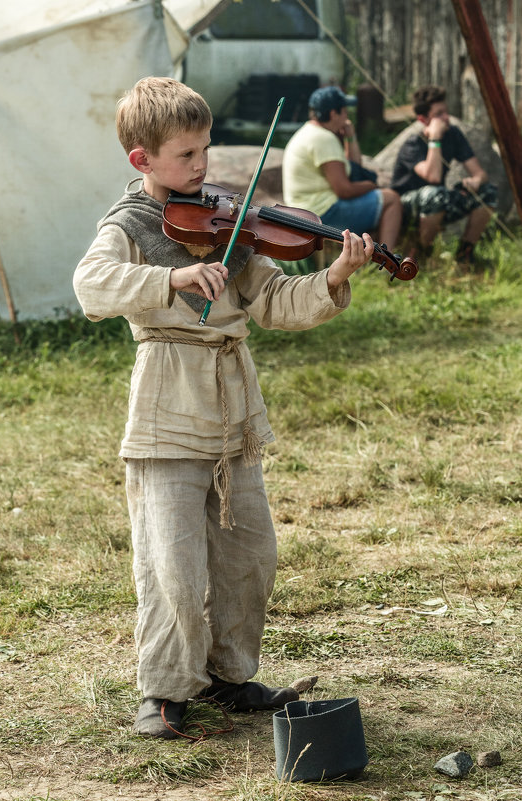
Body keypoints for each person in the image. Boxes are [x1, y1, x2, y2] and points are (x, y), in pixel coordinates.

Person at [73, 77, 374, 740]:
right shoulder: (128, 225)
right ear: (142, 160)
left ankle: (229, 674)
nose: (202, 167)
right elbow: (90, 286)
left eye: (205, 150)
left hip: (233, 409)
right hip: (167, 403)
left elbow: (272, 302)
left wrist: (330, 279)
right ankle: (164, 687)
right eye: (185, 155)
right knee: (172, 564)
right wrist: (170, 277)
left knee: (248, 555)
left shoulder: (230, 223)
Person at [282, 86, 402, 252]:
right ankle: (388, 259)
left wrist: (350, 136)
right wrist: (372, 185)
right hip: (322, 214)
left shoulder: (309, 131)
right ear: (333, 114)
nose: (347, 117)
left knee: (382, 195)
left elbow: (353, 168)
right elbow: (344, 190)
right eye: (344, 112)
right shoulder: (324, 139)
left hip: (305, 210)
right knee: (392, 198)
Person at [391, 84, 498, 263]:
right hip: (405, 207)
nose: (446, 118)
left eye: (446, 112)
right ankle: (423, 255)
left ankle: (465, 254)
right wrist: (435, 139)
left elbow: (480, 174)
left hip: (436, 201)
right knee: (435, 194)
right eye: (439, 114)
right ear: (423, 119)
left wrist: (475, 181)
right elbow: (432, 176)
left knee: (488, 192)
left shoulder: (453, 134)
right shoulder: (413, 144)